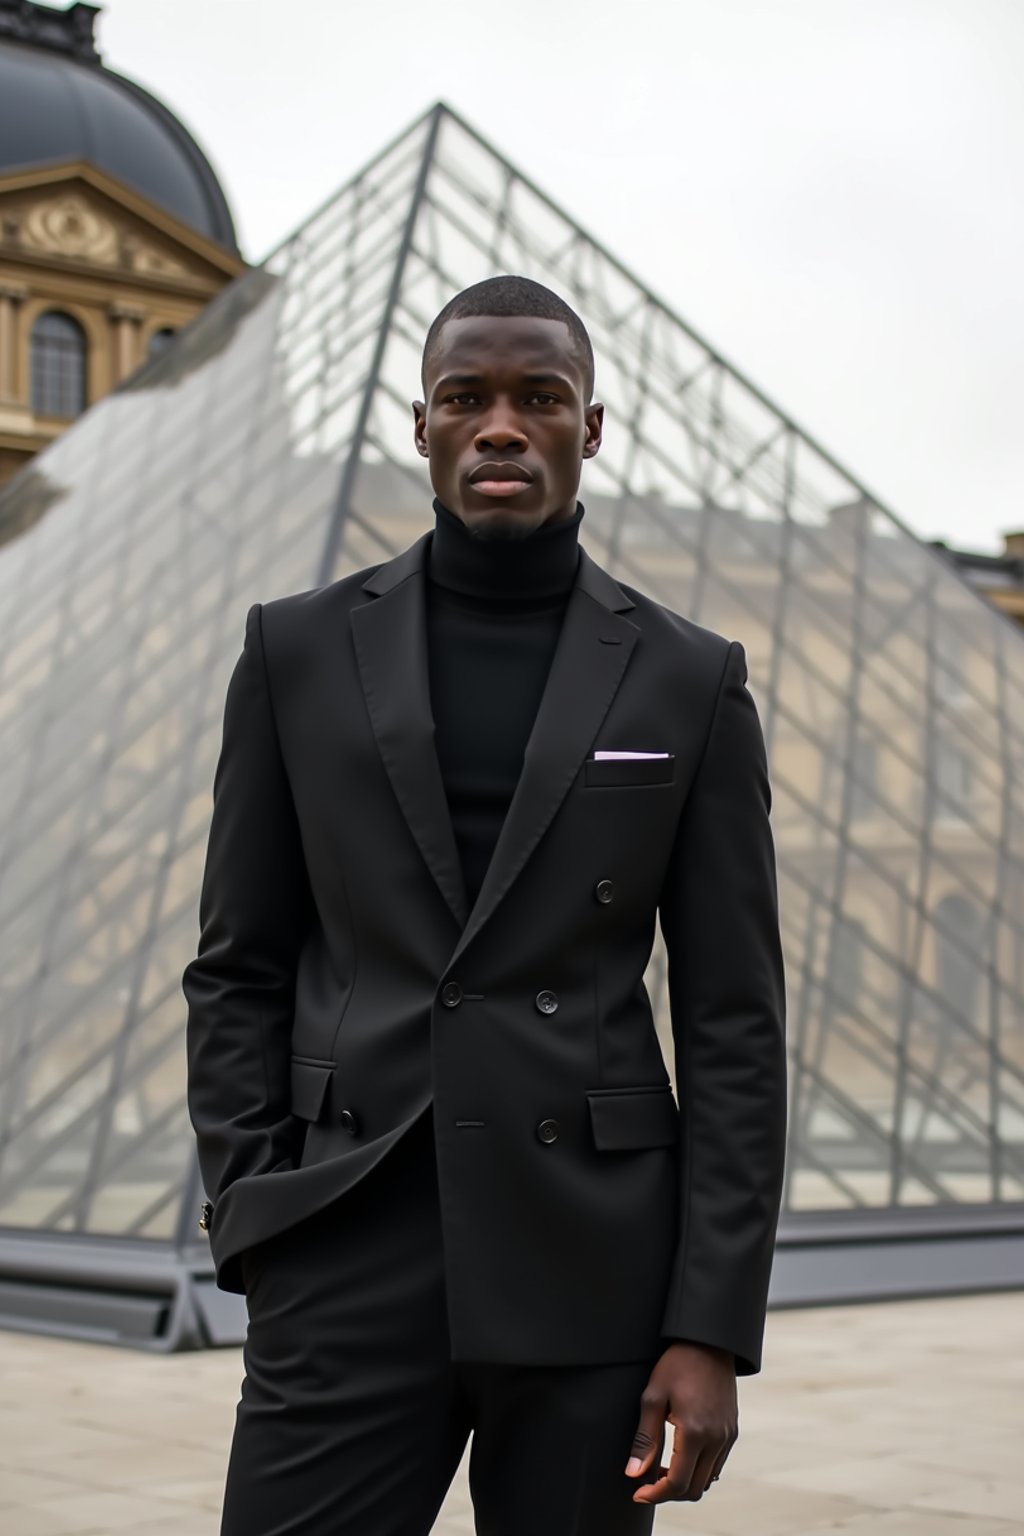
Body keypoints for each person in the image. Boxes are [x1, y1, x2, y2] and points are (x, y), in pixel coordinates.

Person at [183, 275, 788, 1536]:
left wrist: (708, 1326)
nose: (501, 425)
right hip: (346, 1245)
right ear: (421, 426)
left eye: (538, 399)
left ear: (592, 428)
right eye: (468, 398)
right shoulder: (292, 652)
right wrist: (253, 1216)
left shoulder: (689, 678)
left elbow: (735, 1021)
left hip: (594, 1267)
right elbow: (238, 961)